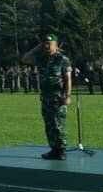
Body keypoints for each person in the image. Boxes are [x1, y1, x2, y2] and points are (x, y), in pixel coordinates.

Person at [22, 32, 72, 161]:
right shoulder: (41, 58)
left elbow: (68, 79)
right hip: (45, 96)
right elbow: (24, 59)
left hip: (58, 96)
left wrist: (68, 95)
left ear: (56, 45)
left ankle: (61, 150)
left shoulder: (62, 59)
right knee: (49, 123)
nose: (46, 46)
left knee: (58, 123)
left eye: (49, 44)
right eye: (44, 44)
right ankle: (54, 149)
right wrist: (36, 48)